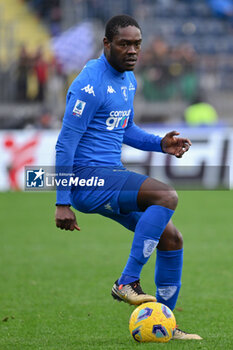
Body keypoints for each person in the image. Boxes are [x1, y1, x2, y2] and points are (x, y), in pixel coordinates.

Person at [55, 15, 202, 340]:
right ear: (107, 44)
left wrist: (160, 144)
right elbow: (65, 142)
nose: (133, 50)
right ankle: (126, 282)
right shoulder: (89, 83)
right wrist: (62, 201)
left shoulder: (128, 81)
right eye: (124, 44)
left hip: (111, 175)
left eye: (137, 44)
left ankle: (167, 326)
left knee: (171, 238)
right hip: (87, 178)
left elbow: (125, 129)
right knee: (166, 196)